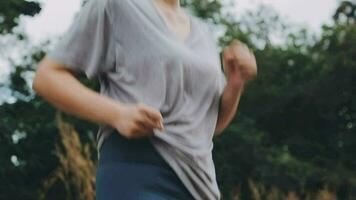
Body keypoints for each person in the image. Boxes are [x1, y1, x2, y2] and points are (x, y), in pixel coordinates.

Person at [32, 0, 257, 199]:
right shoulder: (116, 7)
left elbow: (212, 124)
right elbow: (47, 77)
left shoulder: (204, 32)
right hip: (137, 170)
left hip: (201, 183)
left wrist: (235, 83)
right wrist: (117, 114)